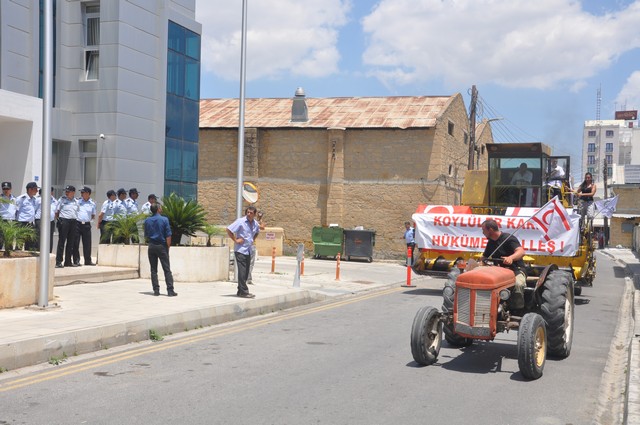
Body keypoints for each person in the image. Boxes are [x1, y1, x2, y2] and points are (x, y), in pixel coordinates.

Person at [481, 219, 527, 309]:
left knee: (518, 284)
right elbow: (484, 257)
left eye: (484, 230)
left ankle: (517, 309)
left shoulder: (508, 238)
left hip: (516, 270)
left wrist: (511, 258)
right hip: (498, 272)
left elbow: (521, 252)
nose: (483, 233)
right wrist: (479, 263)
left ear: (490, 230)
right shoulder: (490, 242)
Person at [226, 206, 260, 298]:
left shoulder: (255, 223)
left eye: (251, 213)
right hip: (240, 250)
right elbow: (229, 230)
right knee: (242, 271)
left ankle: (240, 291)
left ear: (254, 214)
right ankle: (244, 292)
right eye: (248, 212)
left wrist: (253, 239)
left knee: (246, 272)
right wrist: (235, 240)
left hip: (248, 250)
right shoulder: (240, 221)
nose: (249, 214)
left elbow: (257, 231)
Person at [144, 203, 177, 297]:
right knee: (167, 269)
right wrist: (168, 248)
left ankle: (156, 290)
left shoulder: (147, 220)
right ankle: (170, 291)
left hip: (151, 246)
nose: (162, 209)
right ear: (158, 209)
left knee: (153, 270)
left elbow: (146, 235)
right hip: (161, 246)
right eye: (161, 207)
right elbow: (168, 235)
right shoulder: (164, 219)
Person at [55, 185, 79, 268]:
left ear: (73, 192)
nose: (66, 192)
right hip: (64, 221)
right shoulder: (62, 200)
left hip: (73, 222)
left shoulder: (76, 201)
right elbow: (56, 212)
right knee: (62, 241)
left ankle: (68, 261)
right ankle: (58, 262)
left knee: (71, 242)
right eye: (66, 191)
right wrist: (59, 220)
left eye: (68, 191)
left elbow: (77, 212)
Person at [73, 186, 96, 266]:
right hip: (77, 224)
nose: (81, 194)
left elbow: (93, 215)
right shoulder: (78, 201)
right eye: (81, 192)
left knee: (87, 244)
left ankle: (88, 260)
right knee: (76, 243)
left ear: (88, 193)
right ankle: (76, 260)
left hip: (86, 225)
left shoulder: (92, 203)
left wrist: (90, 222)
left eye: (83, 192)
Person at [15, 182, 39, 250]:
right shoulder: (21, 199)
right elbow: (16, 211)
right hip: (22, 223)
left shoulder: (35, 199)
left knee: (30, 243)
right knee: (20, 243)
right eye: (35, 189)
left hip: (30, 223)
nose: (37, 191)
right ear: (30, 189)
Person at [35, 187, 57, 253]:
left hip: (51, 221)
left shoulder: (54, 201)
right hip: (40, 221)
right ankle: (39, 253)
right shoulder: (38, 200)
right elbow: (34, 210)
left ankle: (49, 254)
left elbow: (56, 211)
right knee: (40, 238)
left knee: (49, 238)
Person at [247, 210, 266, 285]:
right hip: (250, 245)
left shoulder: (254, 223)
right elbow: (262, 227)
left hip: (250, 244)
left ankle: (247, 278)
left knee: (249, 263)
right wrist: (260, 218)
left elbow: (260, 229)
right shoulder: (254, 223)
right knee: (249, 263)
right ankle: (247, 278)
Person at [0, 181, 16, 250]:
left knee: (10, 239)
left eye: (7, 189)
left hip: (12, 221)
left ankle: (9, 254)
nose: (6, 190)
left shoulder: (15, 199)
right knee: (1, 239)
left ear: (11, 189)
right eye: (4, 189)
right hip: (2, 221)